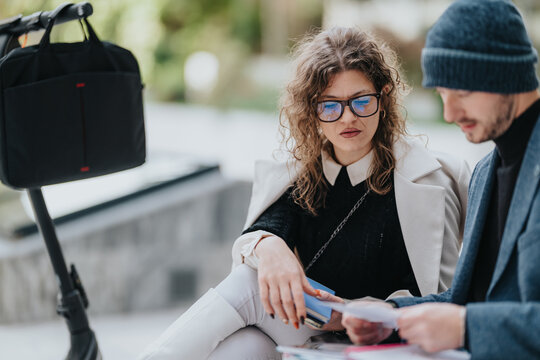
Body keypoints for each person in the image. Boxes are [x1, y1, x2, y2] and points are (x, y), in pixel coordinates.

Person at [139, 27, 469, 360]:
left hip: (386, 339)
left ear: (383, 99)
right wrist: (270, 248)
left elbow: (445, 293)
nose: (348, 117)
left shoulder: (428, 178)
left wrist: (362, 311)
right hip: (313, 332)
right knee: (241, 344)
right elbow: (264, 230)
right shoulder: (300, 173)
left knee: (247, 298)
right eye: (330, 106)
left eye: (362, 101)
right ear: (312, 111)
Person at [342, 1, 540, 358]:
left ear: (508, 76)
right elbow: (468, 300)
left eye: (462, 92)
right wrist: (393, 317)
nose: (450, 113)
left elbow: (468, 318)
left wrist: (466, 327)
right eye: (442, 95)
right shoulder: (484, 173)